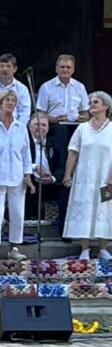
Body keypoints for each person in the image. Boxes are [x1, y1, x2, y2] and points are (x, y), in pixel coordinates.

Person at [0, 89, 35, 262]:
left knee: (17, 212)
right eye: (7, 100)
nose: (10, 103)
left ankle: (14, 247)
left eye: (13, 100)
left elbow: (26, 154)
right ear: (0, 103)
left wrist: (27, 175)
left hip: (17, 176)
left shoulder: (20, 128)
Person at [63, 91, 112, 260]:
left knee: (105, 209)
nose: (91, 104)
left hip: (107, 178)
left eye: (96, 102)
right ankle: (85, 248)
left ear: (105, 106)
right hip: (84, 178)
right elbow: (73, 152)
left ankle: (103, 248)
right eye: (91, 102)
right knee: (83, 208)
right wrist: (67, 174)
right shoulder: (82, 128)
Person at [37, 53, 90, 166]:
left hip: (75, 124)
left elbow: (86, 114)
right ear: (56, 69)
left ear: (73, 70)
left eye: (68, 67)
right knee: (62, 132)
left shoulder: (80, 87)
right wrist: (53, 119)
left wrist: (77, 118)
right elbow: (40, 113)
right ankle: (62, 170)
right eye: (62, 67)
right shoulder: (46, 87)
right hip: (54, 124)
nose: (65, 70)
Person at [25, 113, 69, 234]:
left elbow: (61, 166)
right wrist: (34, 167)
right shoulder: (24, 142)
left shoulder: (54, 143)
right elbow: (15, 162)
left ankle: (64, 230)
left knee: (66, 188)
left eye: (44, 125)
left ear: (48, 128)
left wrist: (53, 178)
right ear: (29, 126)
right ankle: (29, 219)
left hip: (51, 182)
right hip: (31, 180)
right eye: (36, 124)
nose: (40, 127)